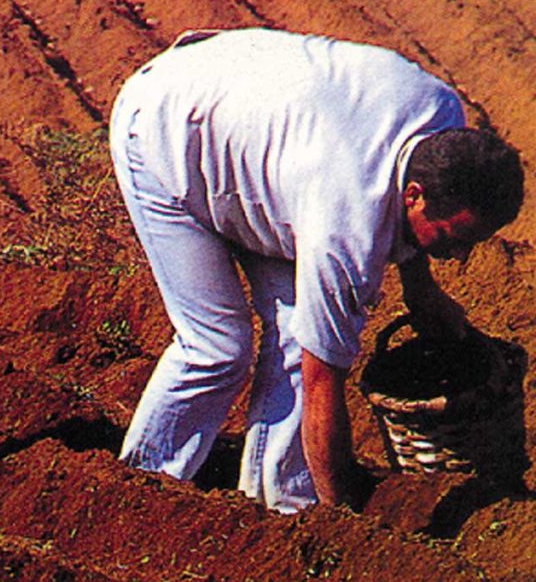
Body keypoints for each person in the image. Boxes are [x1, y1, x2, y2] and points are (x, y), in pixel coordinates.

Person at [109, 27, 523, 512]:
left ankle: (284, 503)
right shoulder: (347, 228)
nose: (459, 255)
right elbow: (321, 378)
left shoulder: (442, 117)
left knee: (291, 333)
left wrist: (421, 290)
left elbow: (411, 220)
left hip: (262, 145)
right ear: (413, 197)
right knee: (218, 347)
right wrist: (344, 510)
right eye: (451, 239)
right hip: (167, 128)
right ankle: (137, 489)